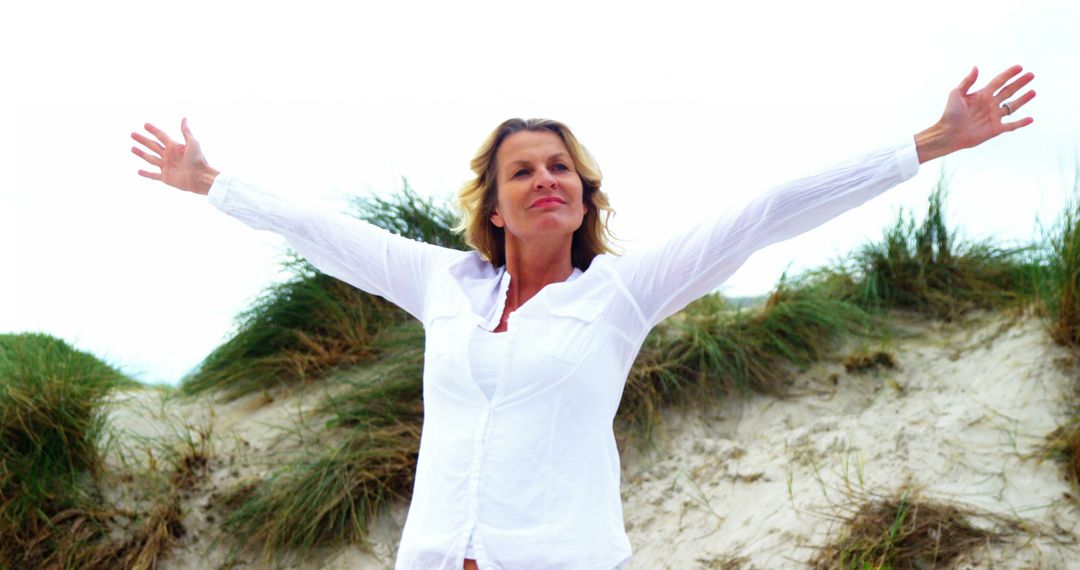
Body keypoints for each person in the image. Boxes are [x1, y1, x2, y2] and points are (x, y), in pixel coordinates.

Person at [131, 65, 1035, 570]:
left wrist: (930, 143)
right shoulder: (444, 285)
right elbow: (318, 231)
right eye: (523, 170)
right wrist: (208, 182)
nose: (547, 180)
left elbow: (766, 212)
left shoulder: (620, 294)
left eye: (562, 167)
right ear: (492, 204)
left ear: (584, 190)